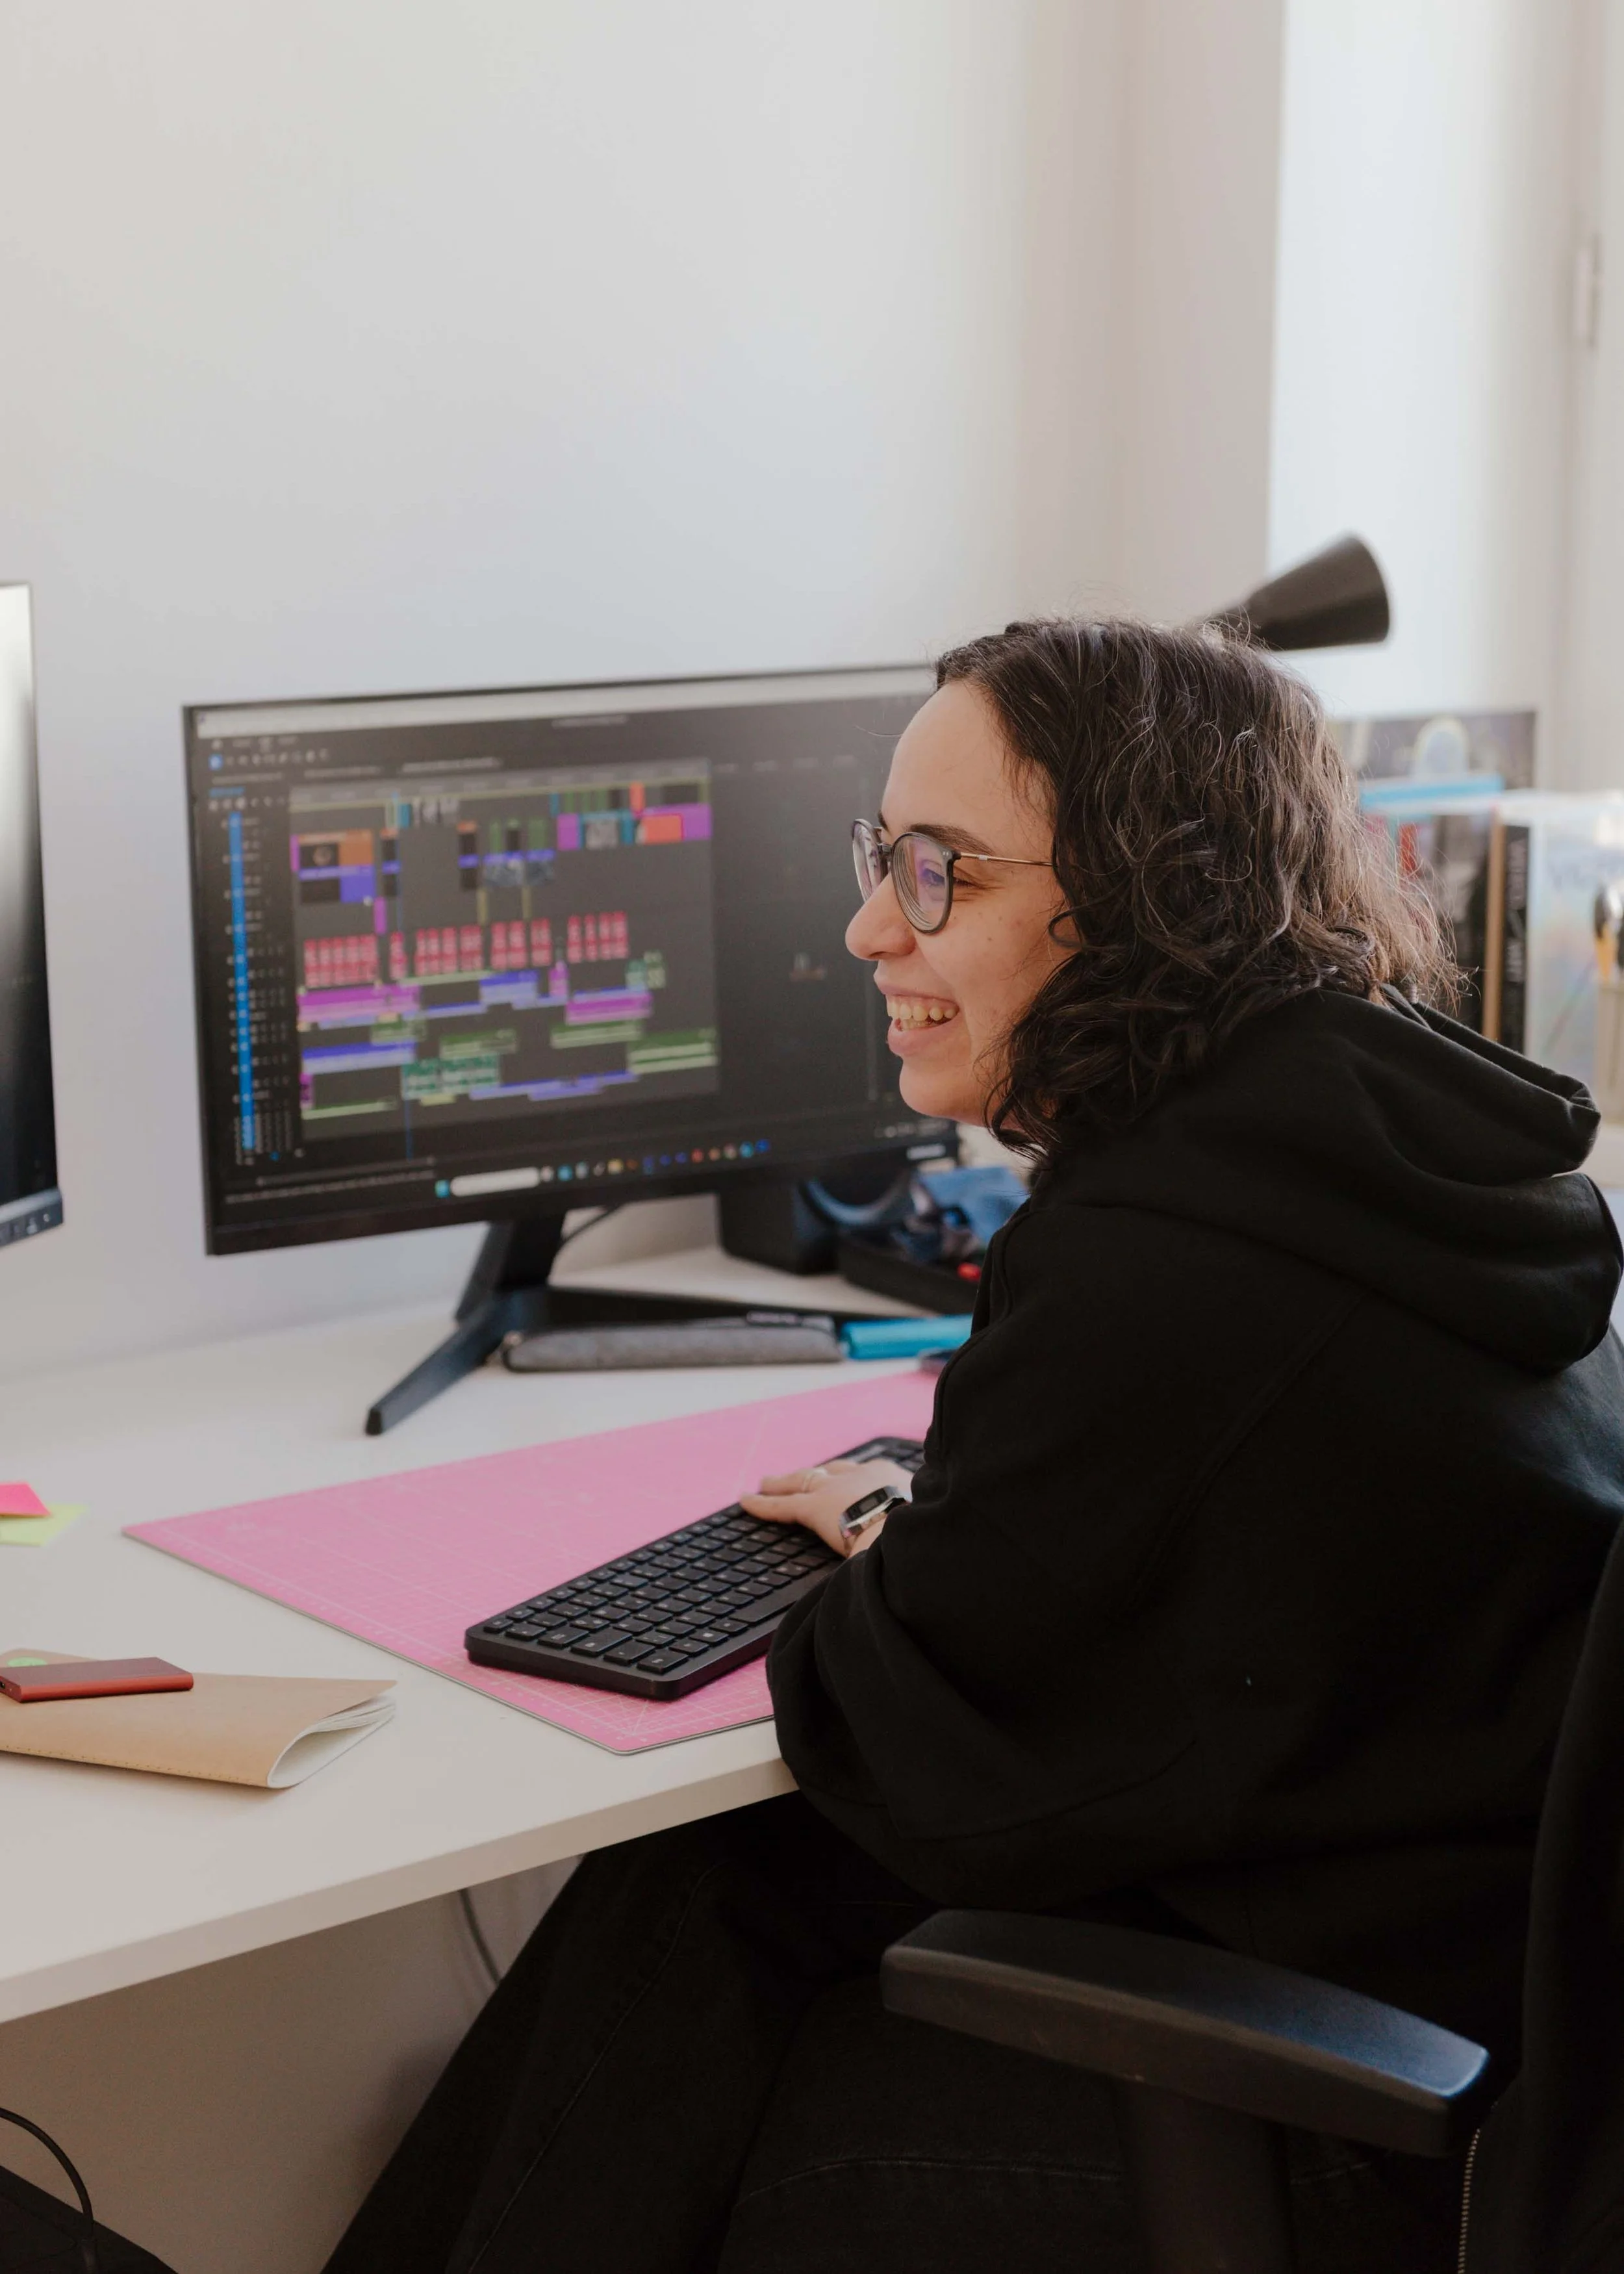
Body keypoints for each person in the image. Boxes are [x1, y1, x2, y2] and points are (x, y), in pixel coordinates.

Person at [326, 620, 1624, 2274]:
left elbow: (895, 1737)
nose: (870, 924)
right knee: (728, 1893)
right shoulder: (1399, 1159)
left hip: (1372, 2144)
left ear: (1153, 903)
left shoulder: (1157, 1258)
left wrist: (904, 1540)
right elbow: (1196, 1561)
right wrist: (937, 1517)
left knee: (722, 1887)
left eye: (942, 874)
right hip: (1468, 2009)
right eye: (883, 857)